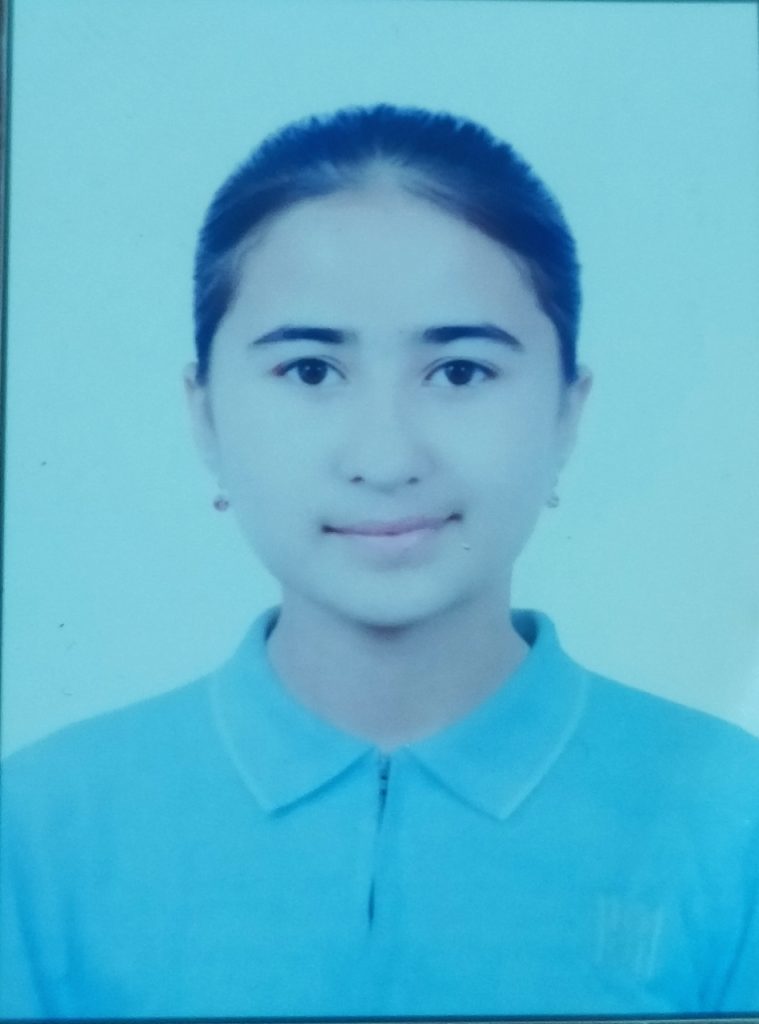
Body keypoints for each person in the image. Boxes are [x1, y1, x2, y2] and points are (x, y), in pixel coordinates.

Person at [1, 104, 758, 1019]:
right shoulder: (36, 832)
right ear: (204, 416)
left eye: (461, 371)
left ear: (567, 413)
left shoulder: (733, 820)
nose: (387, 455)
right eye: (312, 371)